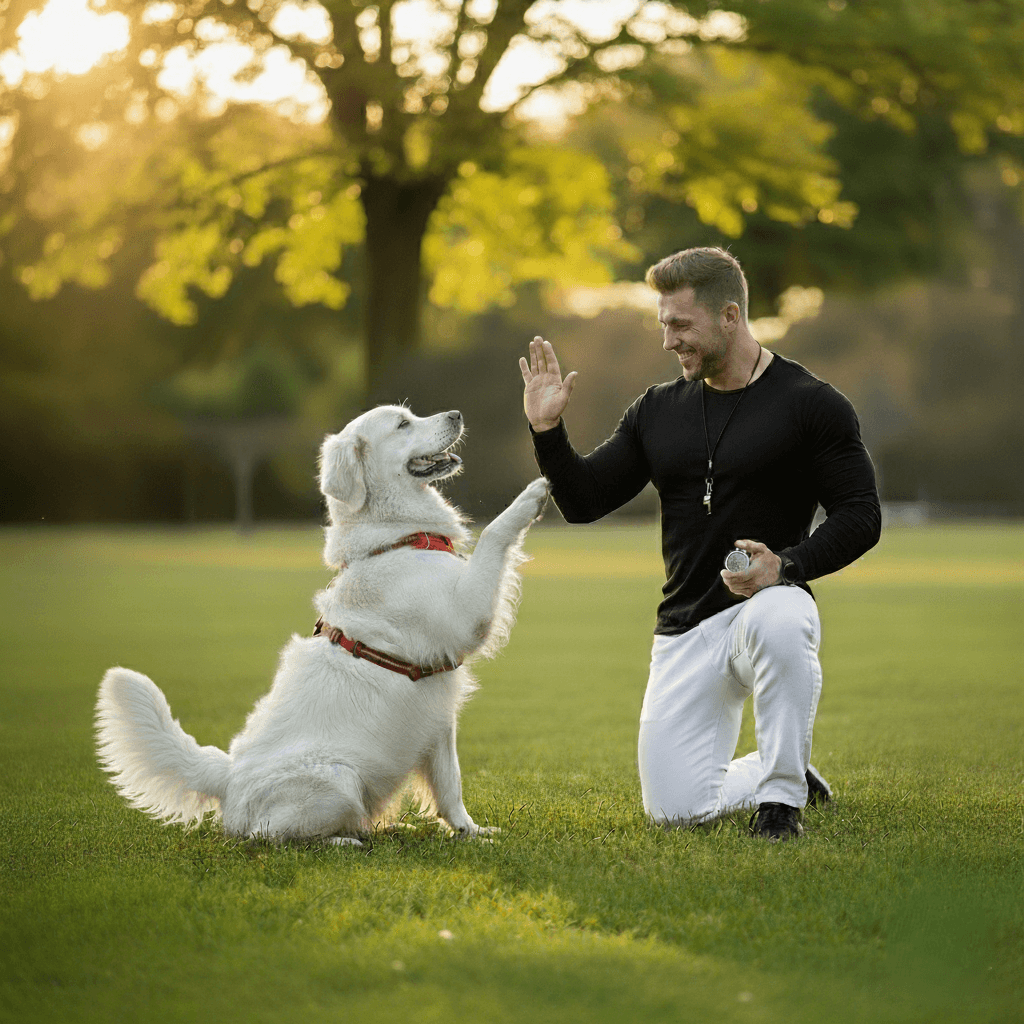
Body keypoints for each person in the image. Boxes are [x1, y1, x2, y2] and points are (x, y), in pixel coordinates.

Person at [519, 247, 881, 842]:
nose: (668, 340)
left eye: (680, 325)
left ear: (730, 316)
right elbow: (583, 502)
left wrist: (786, 565)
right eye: (663, 324)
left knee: (785, 617)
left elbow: (861, 515)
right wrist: (547, 431)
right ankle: (784, 769)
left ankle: (780, 804)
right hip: (686, 627)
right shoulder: (657, 411)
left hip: (763, 608)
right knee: (676, 813)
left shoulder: (811, 404)